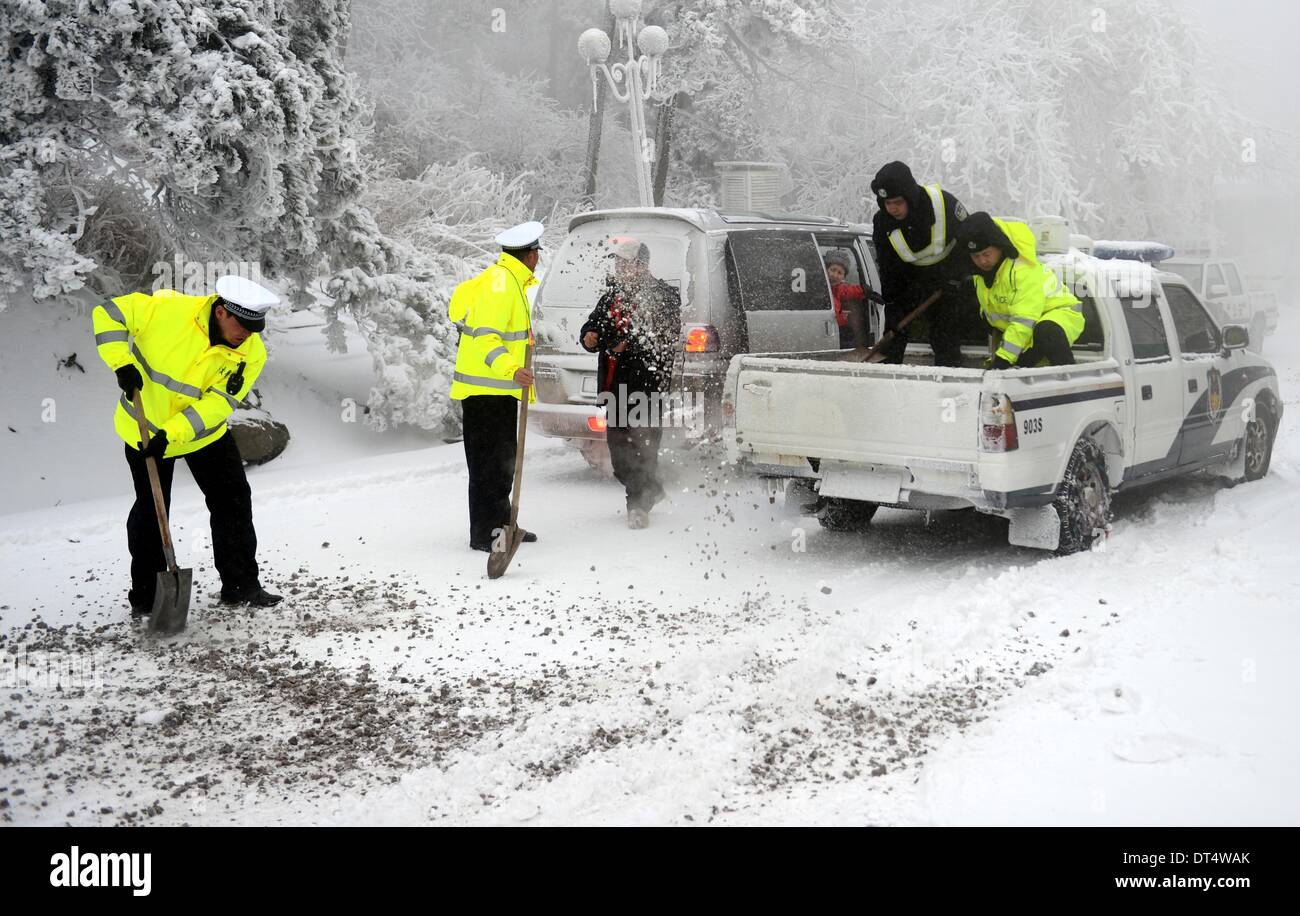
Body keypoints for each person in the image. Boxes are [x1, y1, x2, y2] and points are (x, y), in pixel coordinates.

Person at [92, 275, 282, 615]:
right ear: (222, 312)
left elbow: (219, 403)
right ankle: (148, 598)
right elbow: (108, 313)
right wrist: (121, 362)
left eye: (256, 328)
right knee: (151, 511)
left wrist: (175, 433)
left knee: (233, 499)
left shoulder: (252, 353)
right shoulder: (167, 310)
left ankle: (241, 586)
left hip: (202, 434)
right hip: (145, 429)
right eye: (243, 325)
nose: (248, 335)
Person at [449, 220, 543, 552]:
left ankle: (502, 525)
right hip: (487, 390)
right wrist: (512, 368)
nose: (538, 260)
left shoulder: (507, 280)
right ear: (530, 255)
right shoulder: (501, 284)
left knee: (501, 463)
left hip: (498, 390)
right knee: (489, 465)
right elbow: (486, 336)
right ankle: (486, 534)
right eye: (537, 253)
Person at [580, 238, 682, 529]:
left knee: (642, 446)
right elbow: (593, 324)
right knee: (619, 455)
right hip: (614, 388)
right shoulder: (612, 296)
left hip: (646, 386)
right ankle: (652, 488)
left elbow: (658, 337)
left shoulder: (664, 295)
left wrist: (621, 345)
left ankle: (638, 504)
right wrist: (589, 335)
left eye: (627, 263)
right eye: (618, 263)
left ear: (643, 265)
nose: (621, 268)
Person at [869, 160, 974, 366]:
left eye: (898, 202)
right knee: (894, 333)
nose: (893, 209)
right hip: (909, 280)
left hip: (947, 279)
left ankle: (946, 385)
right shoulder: (882, 222)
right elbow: (887, 265)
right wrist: (893, 302)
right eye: (887, 204)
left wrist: (958, 276)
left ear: (910, 196)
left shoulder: (944, 204)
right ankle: (889, 383)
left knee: (943, 335)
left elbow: (970, 241)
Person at [956, 212, 1084, 368]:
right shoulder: (981, 276)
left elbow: (1023, 319)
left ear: (999, 247)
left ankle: (1069, 379)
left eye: (986, 254)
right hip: (1029, 329)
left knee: (1047, 332)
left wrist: (1003, 359)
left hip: (1060, 316)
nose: (982, 261)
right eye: (976, 256)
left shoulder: (1022, 271)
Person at [823, 250, 866, 348]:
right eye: (832, 270)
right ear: (825, 269)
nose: (835, 275)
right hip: (833, 325)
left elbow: (850, 291)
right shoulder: (822, 286)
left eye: (840, 273)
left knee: (848, 340)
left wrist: (863, 290)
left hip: (839, 326)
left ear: (843, 277)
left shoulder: (839, 287)